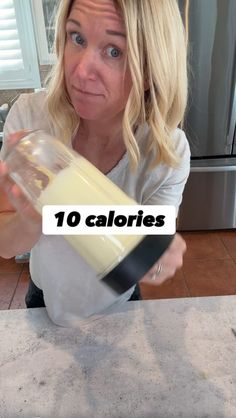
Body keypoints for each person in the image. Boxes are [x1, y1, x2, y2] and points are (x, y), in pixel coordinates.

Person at [0, 0, 190, 324]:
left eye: (114, 51)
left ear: (148, 71)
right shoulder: (30, 119)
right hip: (44, 298)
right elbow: (5, 245)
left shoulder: (165, 152)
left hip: (121, 305)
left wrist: (153, 257)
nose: (81, 70)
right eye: (77, 38)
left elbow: (143, 250)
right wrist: (32, 220)